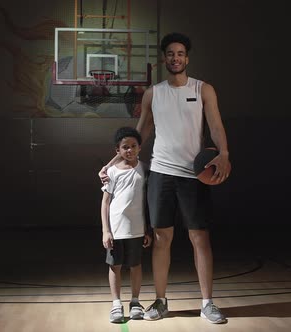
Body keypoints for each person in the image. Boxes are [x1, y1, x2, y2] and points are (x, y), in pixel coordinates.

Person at [98, 32, 231, 324]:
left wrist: (224, 153)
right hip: (160, 173)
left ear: (187, 57)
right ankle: (161, 301)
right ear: (164, 58)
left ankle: (207, 302)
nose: (175, 58)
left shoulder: (203, 89)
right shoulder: (153, 93)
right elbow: (138, 135)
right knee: (161, 238)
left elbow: (216, 126)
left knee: (200, 237)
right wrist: (112, 162)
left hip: (193, 176)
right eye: (170, 53)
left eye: (180, 53)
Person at [100, 126, 153, 323]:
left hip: (137, 229)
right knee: (115, 266)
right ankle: (116, 305)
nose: (129, 150)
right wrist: (106, 231)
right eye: (125, 147)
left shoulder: (145, 169)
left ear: (140, 147)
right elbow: (105, 202)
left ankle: (135, 302)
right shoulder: (112, 172)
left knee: (136, 266)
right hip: (116, 230)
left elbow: (147, 202)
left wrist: (148, 228)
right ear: (118, 151)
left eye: (133, 146)